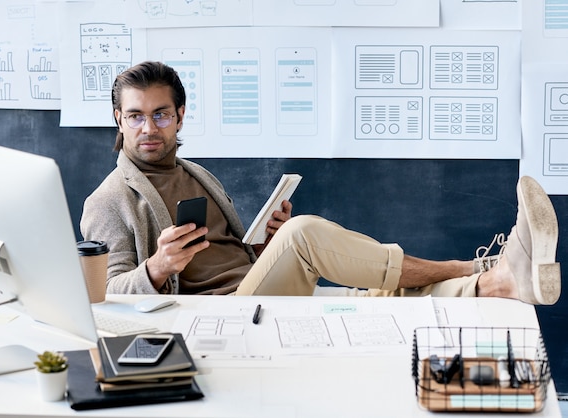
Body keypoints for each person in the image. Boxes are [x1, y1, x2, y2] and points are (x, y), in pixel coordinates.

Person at [80, 61, 561, 305]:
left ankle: (500, 282)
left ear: (180, 116)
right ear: (118, 119)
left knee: (377, 301)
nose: (150, 128)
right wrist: (160, 267)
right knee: (304, 233)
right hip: (219, 315)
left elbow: (228, 255)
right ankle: (467, 266)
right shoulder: (108, 201)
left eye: (161, 114)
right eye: (137, 116)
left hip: (256, 289)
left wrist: (265, 242)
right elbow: (102, 298)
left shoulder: (195, 173)